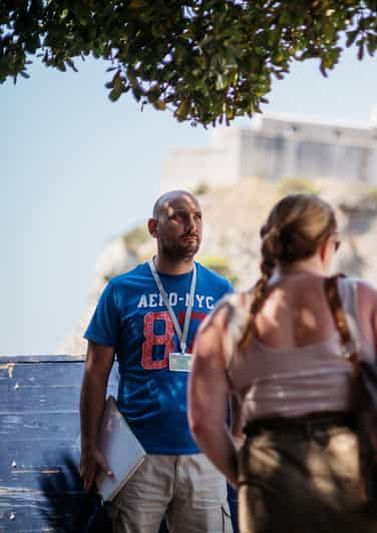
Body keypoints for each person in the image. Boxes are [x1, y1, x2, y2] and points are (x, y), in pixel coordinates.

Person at [188, 193, 377, 532]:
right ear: (327, 245)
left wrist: (245, 475)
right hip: (351, 476)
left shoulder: (226, 317)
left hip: (267, 482)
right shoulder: (363, 301)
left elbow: (202, 423)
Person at [79, 190, 234, 532]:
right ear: (154, 227)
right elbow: (95, 373)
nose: (190, 224)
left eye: (197, 216)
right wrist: (90, 446)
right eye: (178, 216)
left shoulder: (221, 290)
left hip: (204, 457)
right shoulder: (121, 290)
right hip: (137, 457)